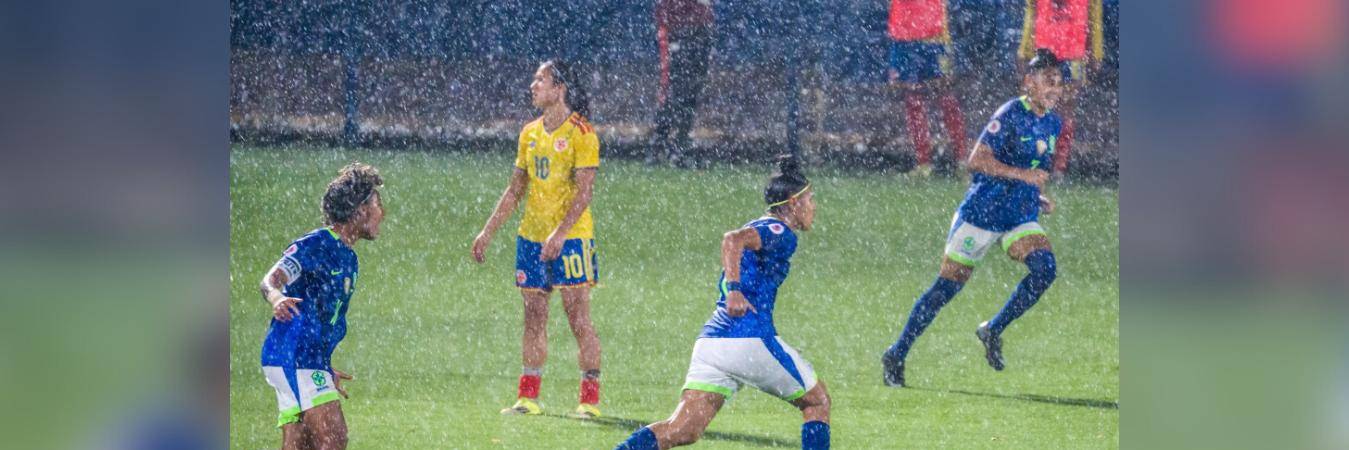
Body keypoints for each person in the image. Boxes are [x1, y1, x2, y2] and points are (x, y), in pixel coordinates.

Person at [614, 156, 830, 450]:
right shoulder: (779, 231)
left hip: (713, 342)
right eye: (810, 199)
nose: (814, 206)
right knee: (817, 402)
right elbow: (732, 239)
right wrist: (734, 290)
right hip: (748, 339)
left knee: (683, 429)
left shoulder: (763, 226)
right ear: (793, 203)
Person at [881, 49, 1065, 387]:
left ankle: (993, 329)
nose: (1055, 87)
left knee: (1045, 270)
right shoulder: (1010, 114)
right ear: (1028, 82)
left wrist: (1036, 195)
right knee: (945, 289)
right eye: (1047, 80)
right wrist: (1022, 176)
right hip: (983, 212)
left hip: (1018, 214)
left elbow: (1034, 170)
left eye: (1058, 81)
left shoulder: (1053, 122)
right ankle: (897, 352)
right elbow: (976, 161)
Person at [472, 59, 604, 418]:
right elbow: (515, 190)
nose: (533, 86)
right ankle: (528, 398)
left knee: (577, 317)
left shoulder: (582, 133)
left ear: (559, 89)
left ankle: (589, 400)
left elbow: (584, 193)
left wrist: (560, 234)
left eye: (540, 80)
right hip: (531, 238)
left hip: (572, 240)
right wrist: (487, 231)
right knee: (533, 316)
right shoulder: (529, 133)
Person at [258, 163, 385, 450]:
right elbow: (271, 279)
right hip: (295, 355)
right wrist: (276, 298)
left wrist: (324, 366)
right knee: (333, 437)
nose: (382, 213)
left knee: (301, 444)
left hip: (298, 356)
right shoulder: (317, 244)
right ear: (360, 211)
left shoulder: (348, 257)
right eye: (377, 205)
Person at [1019, 0, 1104, 176]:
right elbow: (1031, 13)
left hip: (1073, 52)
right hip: (1043, 51)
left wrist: (1096, 53)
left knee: (1066, 109)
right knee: (1036, 106)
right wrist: (1024, 51)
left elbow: (1095, 18)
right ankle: (1036, 159)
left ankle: (1059, 164)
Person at [886, 0, 968, 175]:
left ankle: (961, 159)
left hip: (932, 30)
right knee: (913, 99)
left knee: (944, 96)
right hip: (905, 30)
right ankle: (924, 163)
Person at [648, 0, 715, 168]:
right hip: (676, 27)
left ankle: (679, 145)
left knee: (692, 90)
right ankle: (661, 145)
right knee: (674, 89)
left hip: (698, 27)